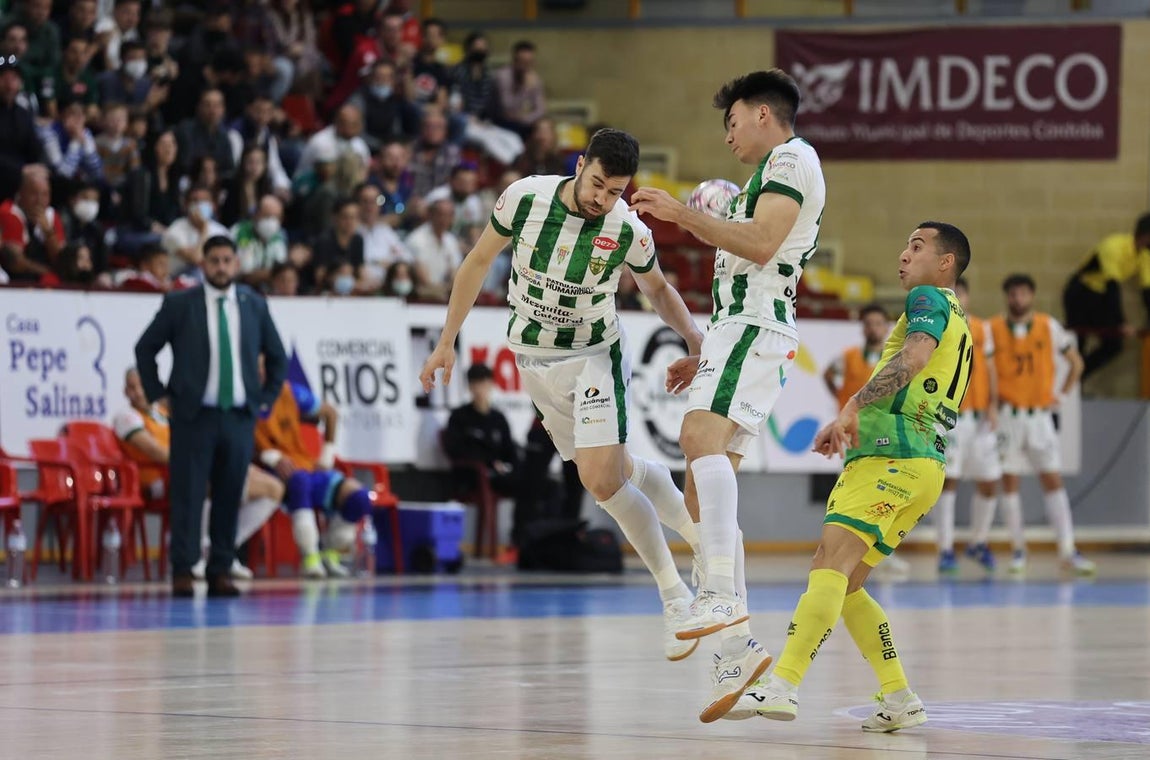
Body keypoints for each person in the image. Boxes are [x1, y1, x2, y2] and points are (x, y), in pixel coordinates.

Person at [420, 128, 705, 664]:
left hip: (595, 357)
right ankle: (697, 531)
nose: (603, 199)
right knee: (614, 470)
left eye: (616, 191)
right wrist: (445, 342)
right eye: (598, 184)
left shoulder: (627, 231)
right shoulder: (524, 197)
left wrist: (694, 338)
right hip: (534, 363)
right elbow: (478, 262)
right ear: (580, 165)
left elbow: (659, 289)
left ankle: (676, 597)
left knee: (600, 481)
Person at [629, 69, 825, 722]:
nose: (728, 132)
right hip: (737, 334)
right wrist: (704, 350)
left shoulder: (793, 159)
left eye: (733, 119)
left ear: (764, 114)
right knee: (697, 491)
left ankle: (717, 594)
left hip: (756, 329)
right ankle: (737, 650)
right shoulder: (764, 176)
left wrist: (687, 215)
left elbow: (764, 246)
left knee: (695, 441)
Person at [734, 222, 972, 729]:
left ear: (946, 262)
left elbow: (914, 357)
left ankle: (782, 686)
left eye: (917, 246)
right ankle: (900, 697)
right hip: (924, 465)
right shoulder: (962, 319)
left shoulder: (928, 299)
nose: (903, 255)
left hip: (892, 454)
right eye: (904, 243)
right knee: (847, 585)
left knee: (828, 563)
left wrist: (852, 405)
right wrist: (850, 417)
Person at [135, 235, 288, 598]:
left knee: (230, 492)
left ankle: (221, 567)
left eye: (226, 260)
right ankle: (184, 569)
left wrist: (262, 401)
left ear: (236, 264)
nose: (221, 267)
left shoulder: (254, 305)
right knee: (187, 493)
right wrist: (159, 394)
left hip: (237, 416)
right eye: (214, 260)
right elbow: (145, 348)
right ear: (203, 264)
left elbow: (278, 357)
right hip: (193, 415)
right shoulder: (180, 304)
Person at [113, 367, 283, 580]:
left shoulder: (162, 413)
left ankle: (223, 549)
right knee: (209, 481)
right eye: (131, 387)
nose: (137, 392)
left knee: (273, 488)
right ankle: (196, 553)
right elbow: (155, 452)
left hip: (187, 470)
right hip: (155, 481)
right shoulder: (126, 417)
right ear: (125, 392)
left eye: (140, 386)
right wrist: (202, 463)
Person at [991, 274, 1093, 576]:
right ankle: (1018, 551)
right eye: (1013, 294)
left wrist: (1061, 394)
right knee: (1009, 484)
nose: (1018, 299)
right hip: (1008, 415)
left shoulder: (1048, 326)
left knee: (1053, 480)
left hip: (1039, 416)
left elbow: (1077, 362)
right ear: (1007, 297)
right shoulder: (993, 328)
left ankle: (1067, 550)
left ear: (1032, 296)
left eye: (1023, 293)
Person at [254, 374, 378, 578]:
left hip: (305, 466)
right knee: (300, 481)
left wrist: (327, 455)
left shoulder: (289, 391)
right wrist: (268, 457)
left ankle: (331, 554)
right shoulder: (240, 395)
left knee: (359, 498)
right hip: (269, 471)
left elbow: (330, 413)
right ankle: (310, 557)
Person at [934, 277, 1001, 574]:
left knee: (989, 482)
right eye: (952, 293)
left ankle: (978, 541)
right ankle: (945, 549)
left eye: (961, 292)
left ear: (968, 296)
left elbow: (990, 369)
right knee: (949, 482)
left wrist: (994, 405)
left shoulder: (982, 328)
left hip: (981, 417)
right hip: (951, 416)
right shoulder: (938, 325)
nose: (958, 297)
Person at [1062, 213, 1150, 379]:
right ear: (1145, 236)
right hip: (1080, 293)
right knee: (1078, 342)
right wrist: (1121, 322)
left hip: (1100, 297)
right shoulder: (1113, 246)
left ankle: (1077, 376)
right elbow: (1112, 288)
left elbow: (1147, 290)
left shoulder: (1145, 255)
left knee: (1113, 345)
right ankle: (1071, 386)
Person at [442, 363, 521, 500]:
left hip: (500, 473)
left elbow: (509, 449)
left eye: (483, 384)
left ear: (491, 385)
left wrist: (510, 466)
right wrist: (489, 462)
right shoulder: (459, 417)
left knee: (528, 480)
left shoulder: (498, 419)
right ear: (470, 387)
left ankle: (524, 520)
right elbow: (456, 449)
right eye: (475, 384)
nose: (479, 390)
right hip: (472, 475)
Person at [823, 304, 888, 410]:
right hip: (851, 418)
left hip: (880, 419)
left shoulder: (893, 357)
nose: (873, 328)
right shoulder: (848, 355)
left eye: (878, 324)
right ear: (863, 328)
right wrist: (840, 398)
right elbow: (828, 375)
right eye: (868, 324)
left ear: (886, 328)